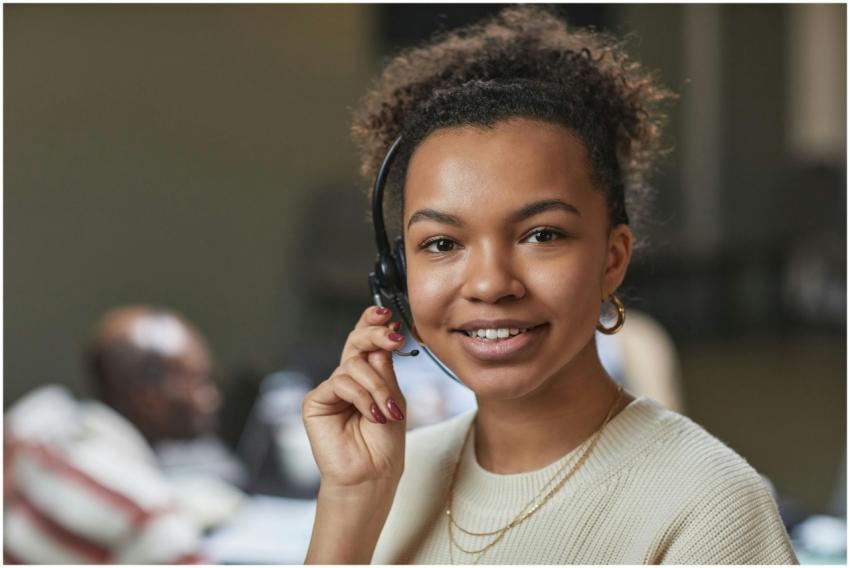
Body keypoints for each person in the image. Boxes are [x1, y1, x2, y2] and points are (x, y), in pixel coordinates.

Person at [301, 6, 798, 564]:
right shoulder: (385, 479)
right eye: (441, 243)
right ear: (396, 275)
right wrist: (350, 499)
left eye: (541, 234)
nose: (490, 283)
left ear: (612, 260)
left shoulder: (710, 506)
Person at [4, 306, 243, 563]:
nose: (212, 397)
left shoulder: (32, 437)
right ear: (148, 398)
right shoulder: (153, 525)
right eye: (200, 381)